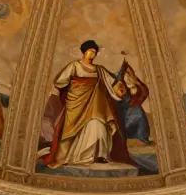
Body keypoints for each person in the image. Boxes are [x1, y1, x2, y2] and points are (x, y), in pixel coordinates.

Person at [41, 40, 134, 169]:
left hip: (97, 105)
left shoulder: (99, 70)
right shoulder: (74, 66)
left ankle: (99, 154)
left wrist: (122, 87)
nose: (93, 54)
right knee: (74, 130)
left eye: (95, 52)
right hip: (77, 104)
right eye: (91, 51)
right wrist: (76, 86)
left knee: (98, 125)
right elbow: (60, 81)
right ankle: (76, 156)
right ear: (84, 52)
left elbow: (113, 83)